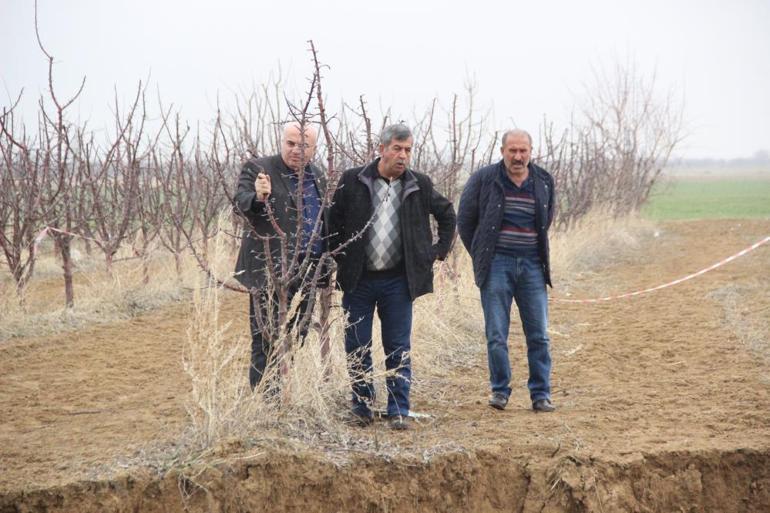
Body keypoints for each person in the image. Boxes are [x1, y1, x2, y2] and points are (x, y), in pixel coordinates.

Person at [329, 124, 456, 429]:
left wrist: (437, 251)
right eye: (397, 149)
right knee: (357, 345)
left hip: (399, 282)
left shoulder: (418, 184)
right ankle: (362, 407)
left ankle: (398, 409)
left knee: (397, 346)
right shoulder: (354, 179)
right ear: (382, 148)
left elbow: (447, 213)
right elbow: (332, 221)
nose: (403, 156)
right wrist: (339, 256)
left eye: (408, 150)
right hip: (359, 280)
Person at [456, 129, 556, 413]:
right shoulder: (484, 179)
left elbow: (546, 220)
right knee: (496, 334)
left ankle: (541, 394)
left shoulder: (544, 180)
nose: (518, 156)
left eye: (523, 150)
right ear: (502, 151)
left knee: (539, 335)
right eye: (512, 150)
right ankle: (500, 391)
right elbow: (465, 221)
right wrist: (481, 255)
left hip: (533, 266)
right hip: (496, 265)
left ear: (531, 151)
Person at [234, 122, 328, 390]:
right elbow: (240, 201)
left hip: (308, 271)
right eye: (291, 144)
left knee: (296, 334)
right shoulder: (259, 169)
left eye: (304, 145)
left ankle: (284, 391)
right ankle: (265, 401)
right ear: (282, 142)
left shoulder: (318, 176)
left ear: (313, 148)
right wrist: (258, 197)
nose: (297, 150)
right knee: (264, 338)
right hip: (270, 272)